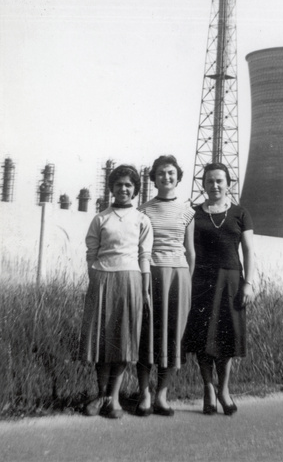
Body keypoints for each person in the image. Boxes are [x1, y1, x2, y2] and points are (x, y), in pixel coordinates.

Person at [79, 164, 153, 419]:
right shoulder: (100, 218)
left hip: (130, 280)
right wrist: (96, 279)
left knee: (123, 341)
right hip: (102, 280)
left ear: (135, 190)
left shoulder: (142, 220)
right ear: (112, 187)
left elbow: (145, 256)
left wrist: (144, 289)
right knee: (101, 342)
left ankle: (116, 399)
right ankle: (101, 396)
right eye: (119, 184)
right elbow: (91, 253)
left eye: (129, 185)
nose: (124, 188)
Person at [185, 162, 255, 416]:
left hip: (231, 281)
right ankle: (208, 388)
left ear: (228, 183)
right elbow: (185, 250)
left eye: (219, 181)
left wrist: (248, 283)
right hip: (201, 280)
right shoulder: (192, 213)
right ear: (203, 184)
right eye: (209, 181)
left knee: (226, 340)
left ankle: (224, 390)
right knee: (203, 340)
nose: (214, 186)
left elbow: (248, 251)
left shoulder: (240, 213)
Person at [136, 155, 195, 417]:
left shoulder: (187, 211)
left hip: (179, 277)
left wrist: (187, 282)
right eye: (161, 173)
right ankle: (143, 393)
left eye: (171, 173)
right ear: (154, 178)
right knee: (147, 333)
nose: (166, 177)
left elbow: (190, 251)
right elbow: (140, 249)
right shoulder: (144, 210)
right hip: (152, 274)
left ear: (178, 177)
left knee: (173, 336)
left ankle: (162, 394)